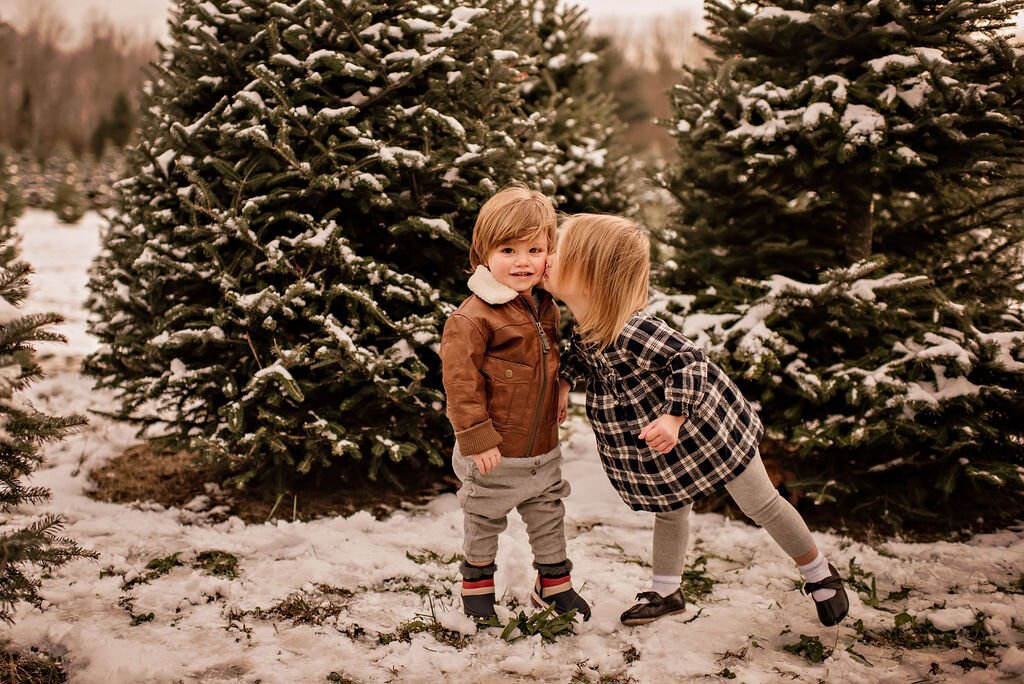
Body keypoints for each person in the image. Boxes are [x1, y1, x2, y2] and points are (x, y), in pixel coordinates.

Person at [543, 213, 848, 627]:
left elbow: (688, 361)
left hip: (707, 429)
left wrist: (673, 417)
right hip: (667, 440)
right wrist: (563, 383)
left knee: (760, 503)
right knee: (671, 509)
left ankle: (820, 576)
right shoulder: (587, 327)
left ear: (589, 272)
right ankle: (667, 592)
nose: (547, 255)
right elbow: (580, 358)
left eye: (559, 250)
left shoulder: (634, 328)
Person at [439, 183, 591, 621]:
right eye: (508, 249)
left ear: (550, 253)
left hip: (541, 449)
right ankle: (477, 587)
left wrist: (562, 385)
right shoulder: (473, 317)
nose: (523, 261)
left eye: (534, 249)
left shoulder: (547, 307)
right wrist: (477, 438)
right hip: (493, 454)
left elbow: (551, 357)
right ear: (483, 254)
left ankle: (555, 583)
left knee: (548, 516)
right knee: (484, 521)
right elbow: (461, 385)